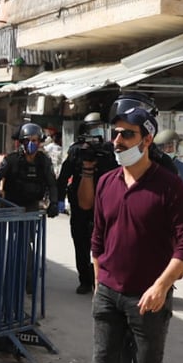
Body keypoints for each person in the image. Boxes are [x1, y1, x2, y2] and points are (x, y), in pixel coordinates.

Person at [77, 98, 183, 363]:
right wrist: (100, 282)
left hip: (149, 296)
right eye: (114, 134)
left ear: (146, 139)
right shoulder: (107, 182)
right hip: (109, 292)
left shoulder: (168, 186)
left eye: (127, 135)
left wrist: (161, 286)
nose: (117, 141)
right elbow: (97, 238)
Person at [57, 112, 116, 294]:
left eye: (99, 128)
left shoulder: (109, 151)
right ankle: (84, 279)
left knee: (106, 244)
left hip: (104, 206)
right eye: (92, 129)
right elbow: (64, 175)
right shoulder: (76, 151)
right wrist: (58, 199)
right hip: (80, 206)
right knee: (81, 243)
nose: (96, 134)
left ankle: (103, 279)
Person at [0, 122, 58, 217]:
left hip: (32, 205)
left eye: (34, 140)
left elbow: (52, 184)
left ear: (39, 142)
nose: (30, 143)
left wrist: (54, 202)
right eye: (27, 140)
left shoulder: (44, 161)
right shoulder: (11, 159)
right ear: (22, 142)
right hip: (13, 205)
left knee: (30, 231)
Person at [154, 129, 183, 199]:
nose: (167, 150)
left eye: (170, 147)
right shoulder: (152, 168)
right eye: (164, 147)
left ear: (176, 147)